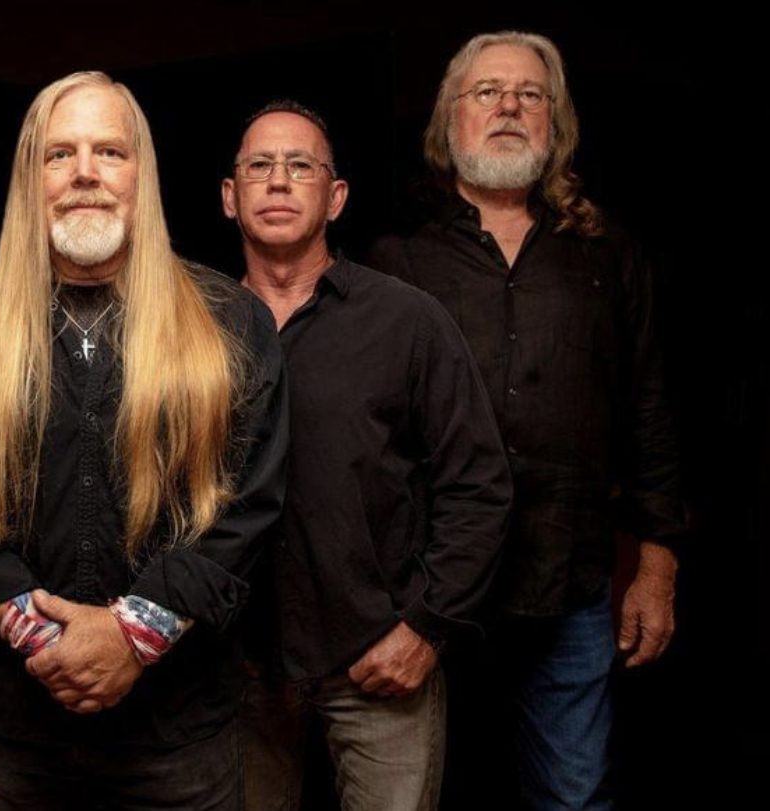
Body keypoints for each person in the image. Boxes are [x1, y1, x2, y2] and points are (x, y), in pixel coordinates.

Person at [0, 70, 288, 810]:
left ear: (142, 174)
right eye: (59, 153)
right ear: (28, 178)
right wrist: (45, 641)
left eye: (109, 152)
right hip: (20, 733)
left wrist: (129, 637)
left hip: (182, 737)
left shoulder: (232, 321)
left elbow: (251, 503)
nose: (84, 174)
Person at [369, 31, 686, 810]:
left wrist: (657, 567)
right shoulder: (395, 262)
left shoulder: (610, 257)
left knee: (574, 796)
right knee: (422, 796)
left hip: (568, 587)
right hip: (424, 591)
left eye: (529, 94)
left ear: (556, 125)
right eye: (486, 92)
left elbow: (649, 410)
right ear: (451, 123)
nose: (508, 106)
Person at [225, 100, 512, 811]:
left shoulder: (408, 321)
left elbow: (479, 486)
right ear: (230, 197)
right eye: (259, 166)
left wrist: (426, 628)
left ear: (336, 195)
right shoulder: (191, 328)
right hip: (233, 673)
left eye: (301, 166)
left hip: (379, 664)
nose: (279, 181)